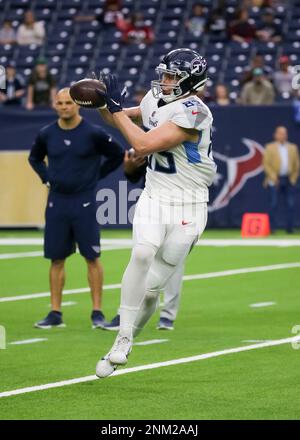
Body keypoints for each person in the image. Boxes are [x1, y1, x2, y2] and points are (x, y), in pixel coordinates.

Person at [93, 48, 216, 378]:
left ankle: (129, 337)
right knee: (143, 252)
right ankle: (121, 337)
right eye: (163, 74)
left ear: (188, 81)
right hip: (156, 195)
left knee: (151, 290)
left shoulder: (195, 111)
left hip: (190, 204)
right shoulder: (153, 98)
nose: (163, 81)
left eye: (171, 76)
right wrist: (104, 102)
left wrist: (116, 110)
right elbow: (119, 118)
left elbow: (144, 144)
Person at [28, 88, 124, 329]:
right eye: (59, 103)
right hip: (57, 202)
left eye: (68, 102)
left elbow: (118, 155)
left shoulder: (93, 133)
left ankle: (97, 312)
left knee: (92, 257)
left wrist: (95, 176)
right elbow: (34, 158)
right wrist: (46, 177)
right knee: (56, 258)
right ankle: (55, 313)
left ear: (78, 104)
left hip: (85, 202)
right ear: (54, 105)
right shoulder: (47, 133)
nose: (63, 106)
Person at [105, 149, 186, 332]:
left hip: (181, 203)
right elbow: (135, 176)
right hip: (152, 204)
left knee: (172, 260)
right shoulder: (149, 134)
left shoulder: (185, 132)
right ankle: (125, 313)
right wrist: (130, 167)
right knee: (140, 257)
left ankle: (167, 314)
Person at [263, 126, 299, 233]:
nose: (282, 135)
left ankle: (290, 228)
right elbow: (266, 164)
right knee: (273, 204)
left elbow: (296, 165)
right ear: (275, 135)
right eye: (280, 133)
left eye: (284, 133)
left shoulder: (293, 148)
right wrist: (273, 177)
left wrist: (293, 178)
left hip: (288, 179)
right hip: (275, 179)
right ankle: (272, 228)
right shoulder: (269, 147)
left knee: (290, 204)